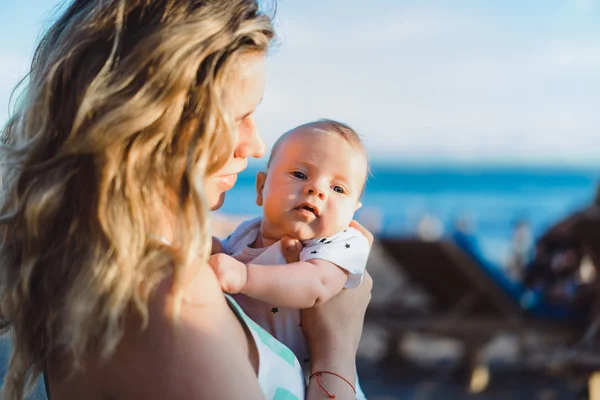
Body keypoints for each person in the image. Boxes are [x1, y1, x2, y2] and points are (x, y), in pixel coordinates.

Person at [0, 1, 373, 400]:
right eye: (237, 117)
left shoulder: (101, 269)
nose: (255, 143)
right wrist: (336, 348)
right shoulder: (169, 300)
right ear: (152, 122)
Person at [209, 120, 370, 399]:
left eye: (338, 189)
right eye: (299, 173)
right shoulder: (246, 232)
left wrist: (244, 277)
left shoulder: (339, 244)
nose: (317, 190)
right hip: (258, 367)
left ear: (352, 212)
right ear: (261, 188)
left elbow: (317, 283)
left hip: (316, 382)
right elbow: (223, 260)